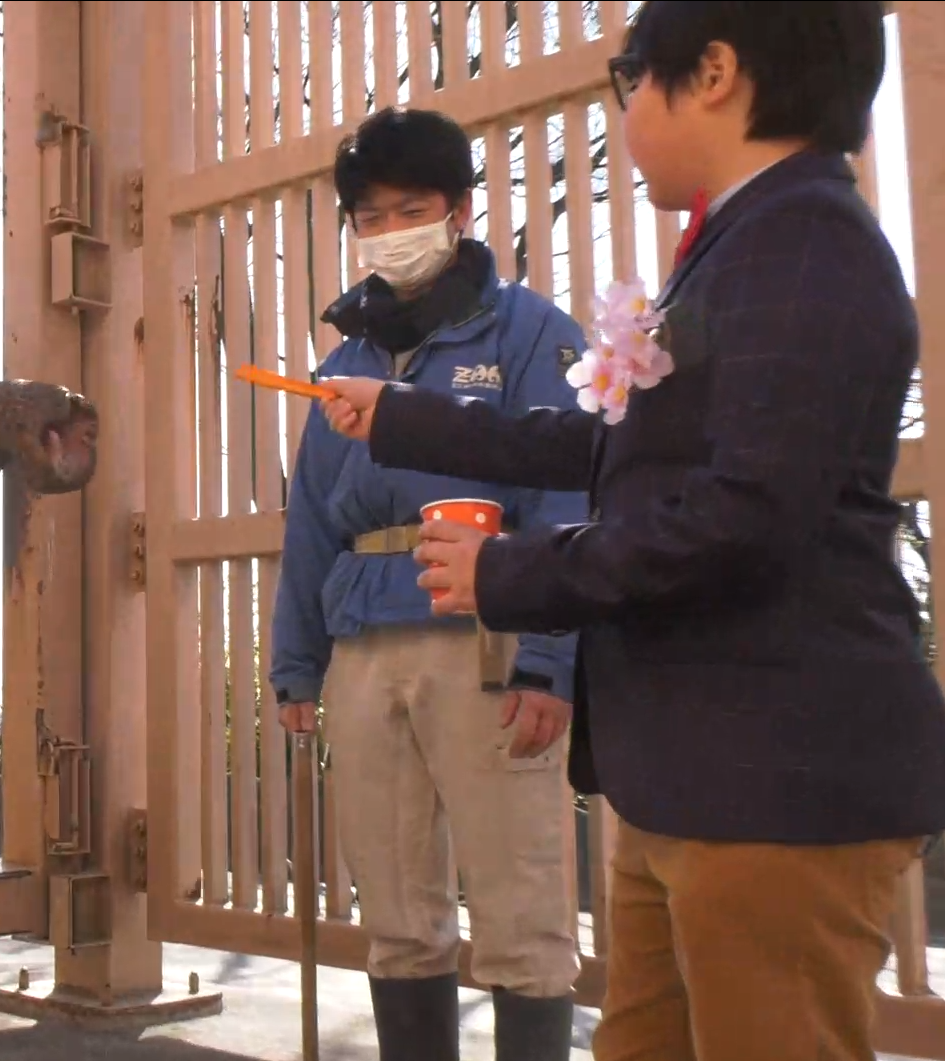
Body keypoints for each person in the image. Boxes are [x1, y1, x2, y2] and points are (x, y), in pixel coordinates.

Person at [314, 5, 945, 1058]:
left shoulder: (804, 252)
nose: (624, 112)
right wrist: (400, 415)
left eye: (628, 83)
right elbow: (617, 444)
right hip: (694, 775)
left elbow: (741, 519)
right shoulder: (742, 244)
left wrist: (508, 573)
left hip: (770, 774)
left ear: (713, 73)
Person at [270, 106, 587, 1061]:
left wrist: (548, 660)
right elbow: (313, 521)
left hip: (489, 638)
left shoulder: (533, 331)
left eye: (412, 207)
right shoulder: (340, 365)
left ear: (458, 211)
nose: (390, 230)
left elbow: (567, 490)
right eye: (370, 216)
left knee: (522, 909)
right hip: (364, 651)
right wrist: (297, 666)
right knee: (398, 910)